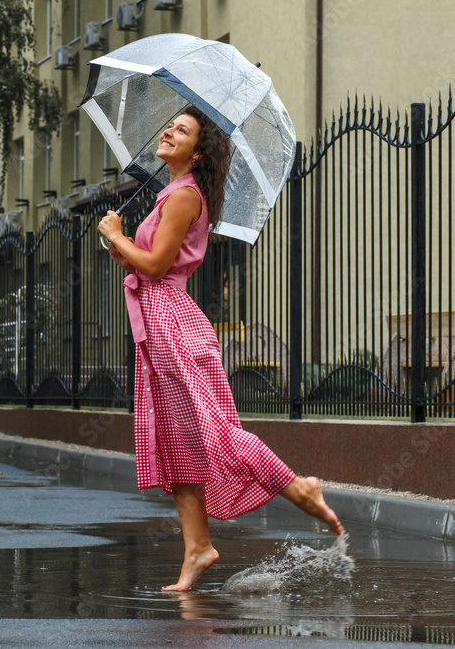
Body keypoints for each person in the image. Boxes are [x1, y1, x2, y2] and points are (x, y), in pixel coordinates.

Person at [97, 106, 343, 592]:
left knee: (212, 432)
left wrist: (117, 237)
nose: (168, 130)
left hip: (170, 323)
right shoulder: (171, 192)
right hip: (157, 318)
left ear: (198, 150)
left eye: (182, 130)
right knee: (179, 441)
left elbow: (154, 266)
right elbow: (144, 261)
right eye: (170, 124)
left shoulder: (185, 196)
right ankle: (198, 549)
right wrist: (117, 241)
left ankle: (298, 486)